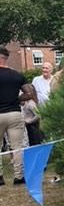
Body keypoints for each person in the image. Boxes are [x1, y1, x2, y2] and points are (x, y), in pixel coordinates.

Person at [0, 46, 26, 185]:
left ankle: (0, 177)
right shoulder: (17, 75)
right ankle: (19, 176)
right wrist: (17, 99)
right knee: (17, 147)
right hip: (15, 113)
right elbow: (30, 93)